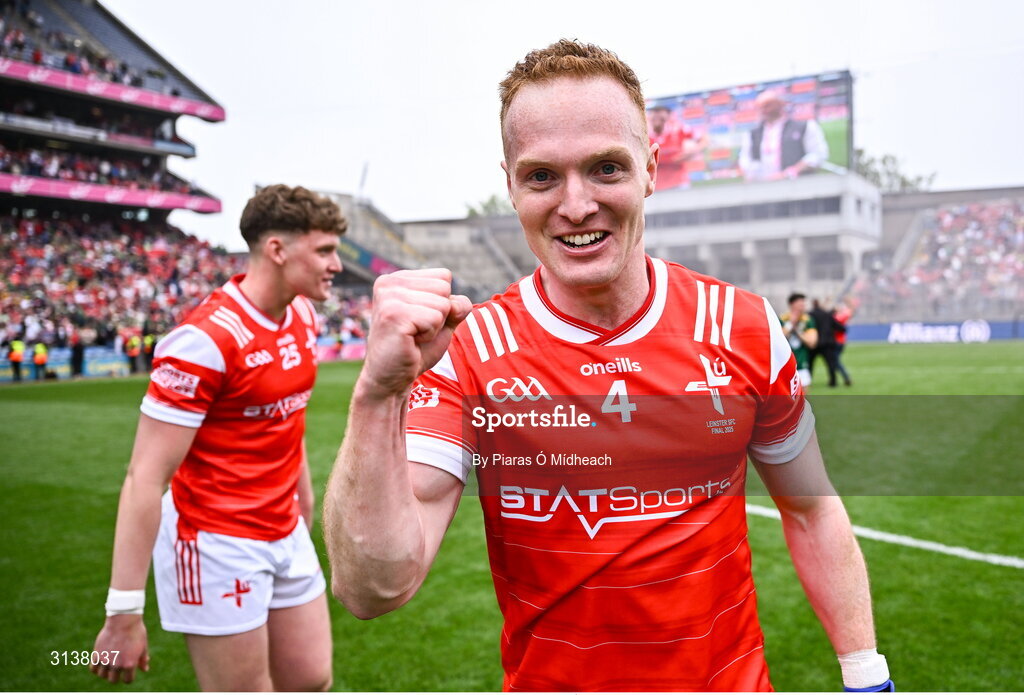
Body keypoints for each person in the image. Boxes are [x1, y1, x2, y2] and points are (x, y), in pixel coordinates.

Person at [324, 40, 892, 692]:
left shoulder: (741, 325)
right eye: (542, 176)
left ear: (651, 169)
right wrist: (377, 395)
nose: (575, 205)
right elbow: (374, 588)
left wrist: (865, 672)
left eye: (605, 169)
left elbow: (812, 509)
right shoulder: (470, 350)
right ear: (509, 183)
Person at [90, 185, 345, 690]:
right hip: (215, 541)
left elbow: (281, 418)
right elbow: (145, 478)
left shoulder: (302, 316)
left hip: (284, 529)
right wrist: (123, 610)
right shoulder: (202, 341)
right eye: (324, 250)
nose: (336, 263)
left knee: (311, 679)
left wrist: (304, 498)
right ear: (277, 250)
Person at [738, 88, 829, 181]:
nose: (764, 110)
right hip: (764, 187)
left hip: (798, 185)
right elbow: (745, 160)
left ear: (780, 104)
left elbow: (817, 154)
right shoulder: (752, 134)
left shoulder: (804, 127)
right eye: (760, 107)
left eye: (768, 105)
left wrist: (791, 172)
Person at [645, 103, 706, 191]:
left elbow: (703, 138)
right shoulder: (645, 136)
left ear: (668, 115)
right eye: (653, 112)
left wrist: (693, 152)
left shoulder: (679, 130)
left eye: (659, 112)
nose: (656, 115)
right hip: (656, 186)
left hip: (679, 183)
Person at [781, 292, 818, 388]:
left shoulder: (807, 320)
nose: (803, 306)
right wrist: (790, 324)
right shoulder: (782, 319)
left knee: (804, 398)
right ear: (792, 304)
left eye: (803, 303)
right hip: (784, 366)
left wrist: (798, 331)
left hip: (802, 364)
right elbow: (779, 338)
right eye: (800, 303)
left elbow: (812, 343)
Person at [809, 298, 840, 387]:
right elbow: (838, 326)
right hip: (827, 343)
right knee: (830, 364)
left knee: (810, 364)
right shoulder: (826, 314)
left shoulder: (809, 315)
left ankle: (808, 381)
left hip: (814, 343)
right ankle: (833, 382)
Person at [833, 300, 854, 386]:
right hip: (841, 341)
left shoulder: (838, 318)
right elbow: (849, 312)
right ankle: (841, 378)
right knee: (836, 361)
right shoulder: (843, 316)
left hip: (837, 342)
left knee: (836, 361)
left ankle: (846, 377)